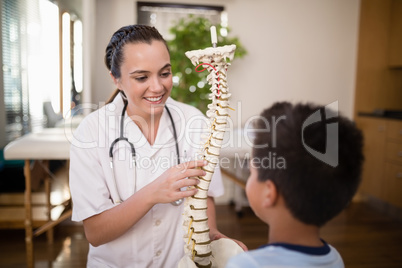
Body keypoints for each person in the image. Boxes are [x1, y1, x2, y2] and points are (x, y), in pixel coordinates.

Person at [69, 25, 246, 267]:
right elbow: (96, 233)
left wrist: (211, 235)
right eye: (142, 77)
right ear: (116, 79)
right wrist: (152, 193)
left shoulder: (193, 120)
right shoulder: (90, 132)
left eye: (164, 73)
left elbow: (204, 194)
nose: (157, 87)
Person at [226, 102, 364, 268]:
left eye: (251, 172)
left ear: (269, 193)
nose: (249, 176)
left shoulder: (246, 264)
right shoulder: (335, 258)